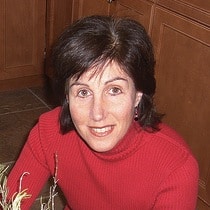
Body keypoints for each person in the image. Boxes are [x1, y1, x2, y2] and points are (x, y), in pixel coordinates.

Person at [6, 15, 198, 209]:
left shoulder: (176, 167)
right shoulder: (49, 132)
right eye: (83, 92)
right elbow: (8, 202)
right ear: (66, 96)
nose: (97, 114)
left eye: (114, 90)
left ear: (138, 94)